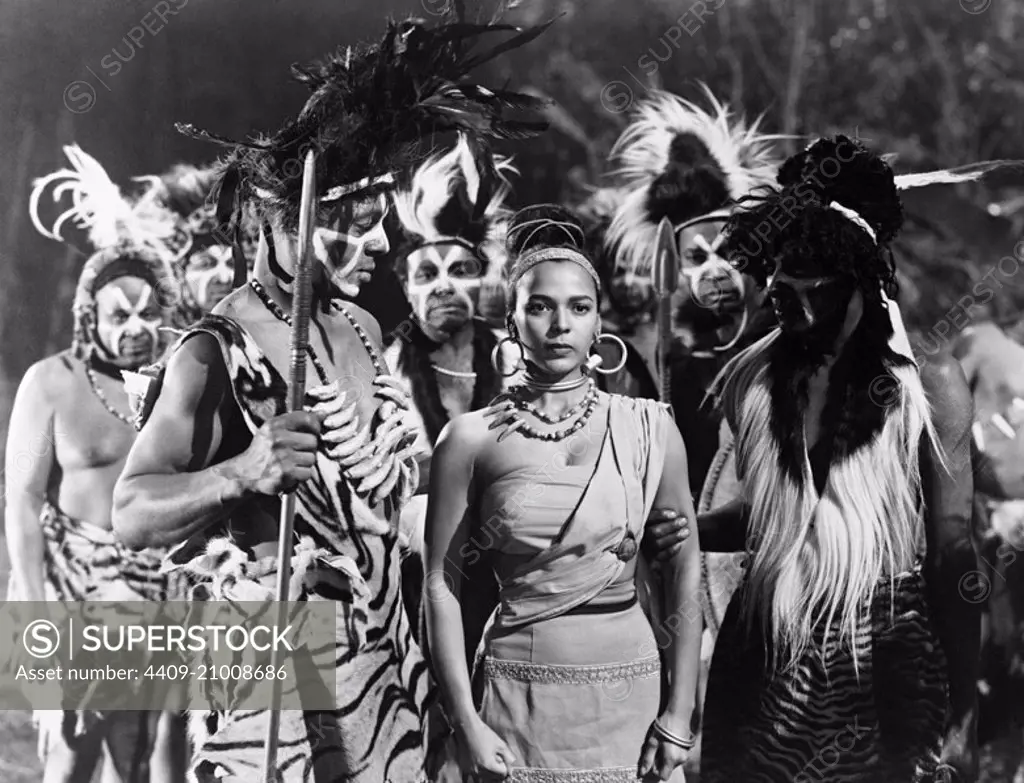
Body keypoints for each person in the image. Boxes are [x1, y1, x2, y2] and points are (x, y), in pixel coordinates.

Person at [110, 13, 550, 782]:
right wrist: (241, 473)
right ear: (287, 222)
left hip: (385, 641)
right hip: (276, 658)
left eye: (377, 223)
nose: (380, 245)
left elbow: (376, 489)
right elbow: (131, 513)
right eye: (353, 226)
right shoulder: (213, 352)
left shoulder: (357, 322)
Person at [695, 135, 980, 782]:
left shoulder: (926, 382)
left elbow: (953, 551)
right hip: (761, 645)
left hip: (884, 654)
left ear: (859, 276)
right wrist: (676, 526)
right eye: (776, 272)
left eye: (806, 278)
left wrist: (962, 711)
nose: (777, 290)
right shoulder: (752, 377)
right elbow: (777, 521)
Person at [423, 204, 702, 782]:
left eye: (578, 308)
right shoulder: (470, 439)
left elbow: (685, 568)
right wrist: (466, 720)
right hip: (517, 700)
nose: (560, 325)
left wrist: (678, 713)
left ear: (598, 322)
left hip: (632, 696)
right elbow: (441, 584)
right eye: (540, 307)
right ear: (511, 320)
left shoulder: (649, 427)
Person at [9, 144, 186, 783]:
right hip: (74, 589)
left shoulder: (180, 385)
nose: (135, 326)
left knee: (144, 755)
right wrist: (37, 614)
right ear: (91, 316)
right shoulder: (49, 382)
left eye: (148, 312)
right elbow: (23, 500)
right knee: (74, 745)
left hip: (159, 591)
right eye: (119, 314)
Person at [386, 133, 520, 642]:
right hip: (413, 582)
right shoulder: (384, 372)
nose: (443, 285)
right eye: (427, 273)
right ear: (405, 287)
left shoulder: (516, 360)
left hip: (513, 577)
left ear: (483, 277)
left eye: (459, 270)